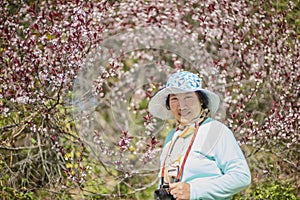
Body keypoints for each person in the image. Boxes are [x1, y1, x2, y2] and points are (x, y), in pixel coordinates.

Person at [149, 71, 251, 200]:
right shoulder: (172, 137)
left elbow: (241, 176)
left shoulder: (216, 130)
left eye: (188, 97)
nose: (182, 105)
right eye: (175, 99)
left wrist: (194, 191)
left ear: (201, 100)